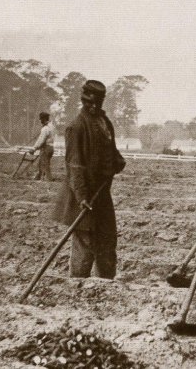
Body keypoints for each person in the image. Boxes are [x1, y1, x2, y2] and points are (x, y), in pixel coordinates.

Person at [50, 80, 126, 278]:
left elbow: (112, 150)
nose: (93, 107)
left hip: (102, 194)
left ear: (102, 101)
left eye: (97, 103)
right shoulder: (76, 127)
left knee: (107, 241)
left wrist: (118, 161)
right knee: (85, 244)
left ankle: (105, 285)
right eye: (88, 103)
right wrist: (82, 196)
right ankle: (77, 286)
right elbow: (74, 167)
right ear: (83, 101)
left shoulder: (105, 123)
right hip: (82, 196)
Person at [29, 111, 55, 181]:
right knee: (41, 163)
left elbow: (41, 140)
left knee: (45, 164)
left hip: (46, 148)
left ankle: (49, 178)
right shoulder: (51, 126)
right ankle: (38, 177)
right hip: (51, 148)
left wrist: (34, 148)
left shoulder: (45, 129)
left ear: (44, 119)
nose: (40, 120)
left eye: (41, 119)